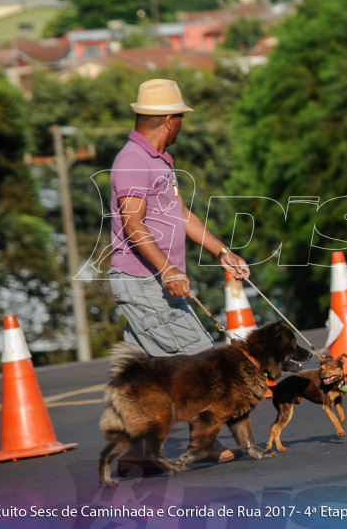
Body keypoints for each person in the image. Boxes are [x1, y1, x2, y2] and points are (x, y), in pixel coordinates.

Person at [108, 78, 250, 467]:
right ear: (170, 120)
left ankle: (131, 452)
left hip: (153, 281)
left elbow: (178, 214)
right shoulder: (132, 162)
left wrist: (222, 250)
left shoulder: (158, 160)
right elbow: (133, 224)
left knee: (142, 377)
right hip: (144, 282)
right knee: (201, 361)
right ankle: (202, 444)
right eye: (181, 118)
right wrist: (169, 268)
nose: (182, 125)